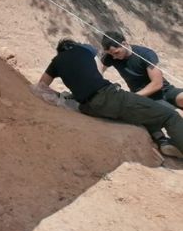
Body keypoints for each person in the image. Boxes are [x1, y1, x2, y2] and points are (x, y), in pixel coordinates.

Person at [37, 39, 183, 158]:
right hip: (110, 97)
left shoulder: (55, 62)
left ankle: (162, 141)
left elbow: (41, 86)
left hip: (88, 107)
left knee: (142, 112)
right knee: (170, 115)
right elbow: (96, 68)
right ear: (73, 45)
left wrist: (61, 95)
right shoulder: (84, 49)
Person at [100, 31, 182, 109]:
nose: (114, 57)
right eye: (111, 54)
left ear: (124, 44)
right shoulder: (110, 57)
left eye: (116, 53)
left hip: (165, 90)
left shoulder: (145, 54)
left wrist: (133, 97)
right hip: (146, 98)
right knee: (177, 114)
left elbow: (157, 83)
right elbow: (97, 72)